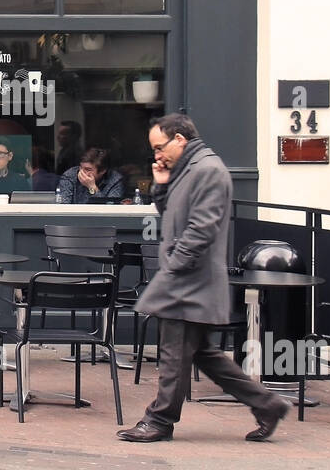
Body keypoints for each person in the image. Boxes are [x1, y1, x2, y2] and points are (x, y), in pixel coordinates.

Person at [117, 113, 289, 443]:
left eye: (159, 147)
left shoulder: (208, 171)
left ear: (179, 139)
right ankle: (268, 404)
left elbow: (202, 228)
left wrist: (173, 268)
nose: (157, 155)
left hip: (189, 281)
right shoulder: (189, 170)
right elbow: (172, 215)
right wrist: (161, 186)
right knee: (200, 354)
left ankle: (159, 420)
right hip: (187, 278)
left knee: (173, 352)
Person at [56, 147, 125, 204]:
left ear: (102, 171)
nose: (81, 172)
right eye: (81, 167)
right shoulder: (70, 175)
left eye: (88, 169)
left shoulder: (115, 180)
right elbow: (63, 206)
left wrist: (92, 187)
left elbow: (110, 210)